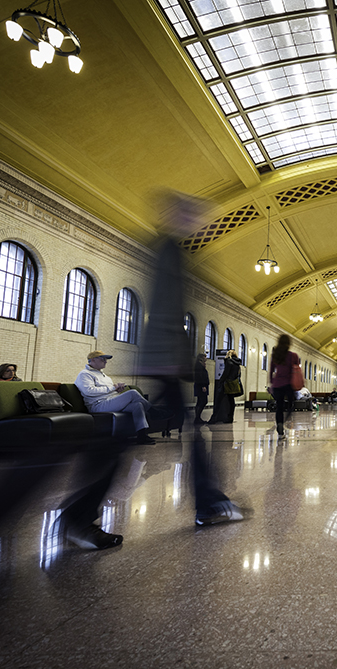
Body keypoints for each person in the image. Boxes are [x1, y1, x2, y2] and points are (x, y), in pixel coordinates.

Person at [140, 192, 243, 525]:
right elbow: (167, 312)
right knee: (189, 434)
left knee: (186, 433)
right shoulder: (169, 251)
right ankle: (209, 502)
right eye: (194, 217)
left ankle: (208, 501)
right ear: (177, 216)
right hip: (164, 359)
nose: (201, 225)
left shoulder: (172, 250)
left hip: (162, 358)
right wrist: (177, 358)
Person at [75, 351, 154, 445]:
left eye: (105, 359)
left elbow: (108, 391)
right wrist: (113, 387)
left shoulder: (105, 376)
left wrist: (117, 390)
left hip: (109, 401)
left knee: (137, 405)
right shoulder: (84, 374)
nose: (105, 362)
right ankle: (153, 411)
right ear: (93, 360)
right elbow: (89, 391)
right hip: (98, 405)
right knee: (132, 393)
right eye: (102, 359)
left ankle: (142, 436)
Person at [269, 334, 300, 437]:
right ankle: (284, 421)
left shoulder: (275, 355)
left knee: (279, 407)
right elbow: (296, 370)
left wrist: (272, 383)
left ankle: (280, 425)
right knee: (291, 404)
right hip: (288, 384)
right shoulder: (293, 355)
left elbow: (271, 371)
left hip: (277, 385)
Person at [209, 349, 242, 424]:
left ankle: (214, 418)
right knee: (231, 401)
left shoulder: (228, 361)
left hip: (227, 383)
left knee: (218, 400)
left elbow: (226, 373)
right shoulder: (238, 363)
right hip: (234, 383)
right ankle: (230, 418)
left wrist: (221, 381)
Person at [193, 353, 209, 424]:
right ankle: (197, 418)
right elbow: (200, 376)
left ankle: (198, 418)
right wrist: (203, 386)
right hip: (201, 386)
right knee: (203, 401)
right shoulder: (199, 366)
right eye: (205, 357)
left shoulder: (200, 365)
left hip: (201, 385)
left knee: (200, 401)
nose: (206, 358)